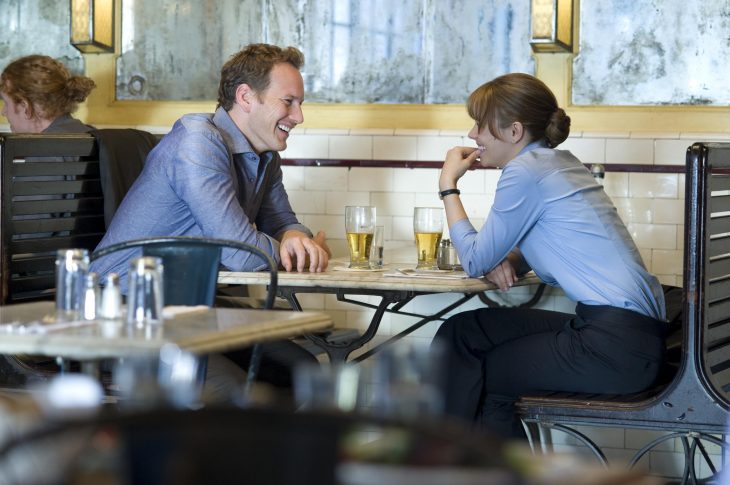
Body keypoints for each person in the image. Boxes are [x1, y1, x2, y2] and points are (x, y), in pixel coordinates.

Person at [89, 43, 331, 397]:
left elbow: (282, 220)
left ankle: (263, 453)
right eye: (288, 102)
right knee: (230, 394)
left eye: (300, 104)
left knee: (302, 372)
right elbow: (242, 254)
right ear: (246, 96)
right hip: (123, 311)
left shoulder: (264, 154)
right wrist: (293, 250)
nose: (298, 116)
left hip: (186, 307)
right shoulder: (197, 141)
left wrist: (296, 237)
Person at [433, 73, 667, 438]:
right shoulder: (558, 163)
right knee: (462, 332)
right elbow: (553, 236)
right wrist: (511, 260)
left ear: (514, 132)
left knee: (479, 373)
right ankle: (450, 463)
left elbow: (475, 260)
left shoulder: (524, 172)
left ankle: (463, 468)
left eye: (480, 124)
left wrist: (448, 185)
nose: (472, 135)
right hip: (629, 336)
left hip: (615, 349)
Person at [1, 54, 95, 134]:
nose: (3, 112)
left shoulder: (39, 152)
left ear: (25, 107)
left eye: (6, 103)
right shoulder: (94, 135)